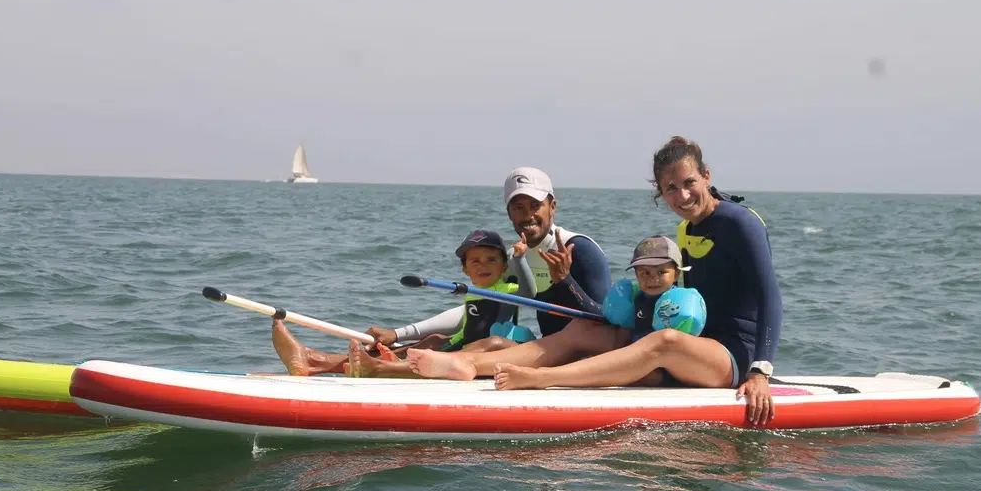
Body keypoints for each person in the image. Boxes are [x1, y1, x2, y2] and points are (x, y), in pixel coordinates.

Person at [407, 136, 784, 425]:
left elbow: (770, 297)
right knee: (581, 330)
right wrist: (568, 282)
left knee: (664, 340)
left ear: (706, 176)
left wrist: (759, 372)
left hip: (733, 357)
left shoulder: (740, 222)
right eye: (670, 188)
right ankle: (473, 366)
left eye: (688, 182)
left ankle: (543, 379)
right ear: (659, 191)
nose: (682, 195)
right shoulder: (686, 230)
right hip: (696, 348)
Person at [366, 167, 612, 346]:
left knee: (487, 346)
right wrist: (400, 333)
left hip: (582, 356)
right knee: (435, 340)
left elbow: (605, 322)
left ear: (553, 207)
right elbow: (477, 309)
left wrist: (565, 281)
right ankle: (348, 361)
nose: (528, 216)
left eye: (535, 206)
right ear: (509, 213)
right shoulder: (514, 260)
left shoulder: (580, 250)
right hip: (546, 349)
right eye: (518, 208)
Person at [272, 230, 534, 375]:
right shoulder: (472, 292)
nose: (483, 266)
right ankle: (315, 361)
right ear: (465, 269)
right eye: (475, 261)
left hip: (485, 351)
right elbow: (464, 325)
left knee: (441, 346)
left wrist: (520, 260)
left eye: (491, 260)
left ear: (503, 266)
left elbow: (528, 291)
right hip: (461, 346)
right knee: (433, 340)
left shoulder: (506, 288)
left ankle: (358, 365)